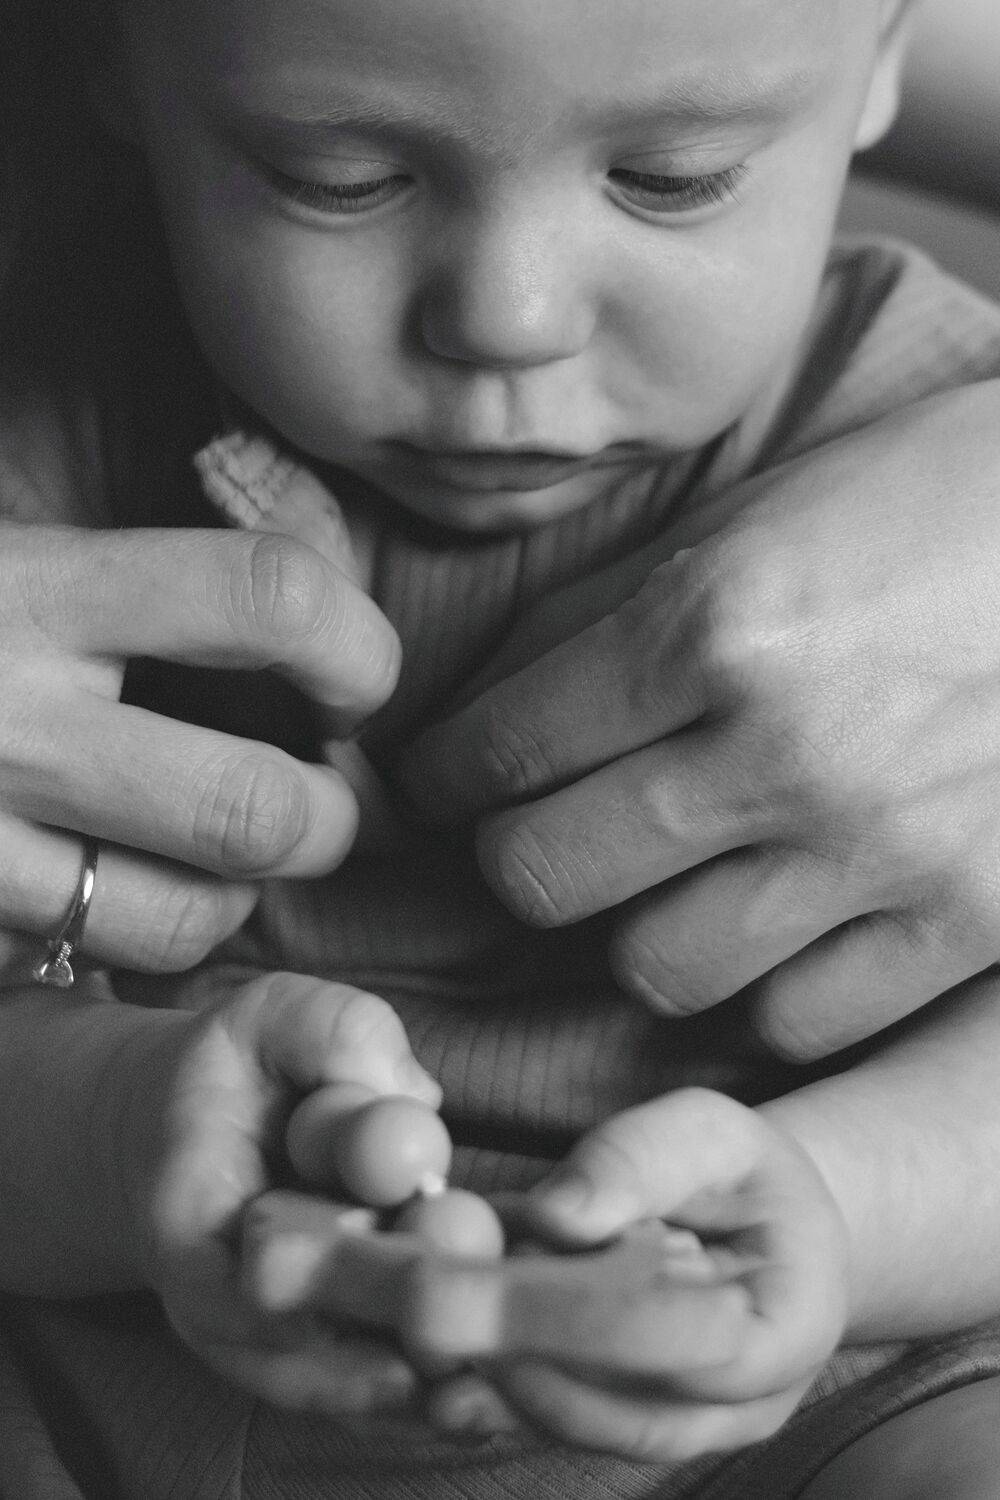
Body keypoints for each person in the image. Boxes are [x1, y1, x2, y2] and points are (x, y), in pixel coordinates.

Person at [3, 0, 1000, 1496]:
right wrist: (122, 1132)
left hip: (826, 1387)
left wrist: (835, 1217)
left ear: (886, 62)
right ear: (112, 63)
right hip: (138, 1348)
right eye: (339, 179)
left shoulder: (919, 409)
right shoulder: (62, 420)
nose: (508, 319)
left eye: (670, 178)